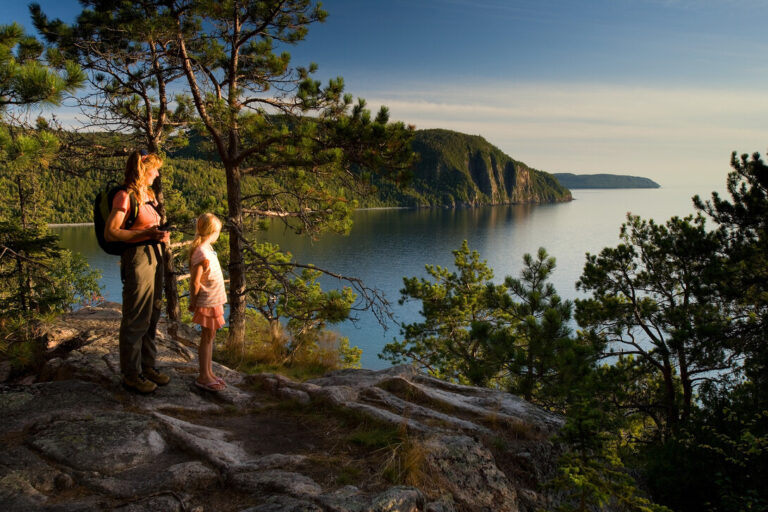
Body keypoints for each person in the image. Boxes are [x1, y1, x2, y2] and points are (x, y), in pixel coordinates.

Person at [105, 150, 171, 393]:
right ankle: (131, 374)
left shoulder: (149, 196)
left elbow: (148, 226)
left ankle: (147, 366)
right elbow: (111, 232)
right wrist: (146, 234)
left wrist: (160, 234)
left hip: (155, 255)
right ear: (143, 170)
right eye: (155, 169)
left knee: (152, 314)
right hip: (138, 257)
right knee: (136, 316)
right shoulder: (125, 196)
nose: (157, 174)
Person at [188, 213, 228, 392]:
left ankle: (209, 372)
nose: (219, 234)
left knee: (210, 337)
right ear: (212, 232)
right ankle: (203, 376)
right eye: (218, 231)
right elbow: (195, 282)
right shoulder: (201, 252)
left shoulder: (208, 249)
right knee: (206, 338)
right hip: (207, 302)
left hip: (214, 301)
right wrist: (193, 301)